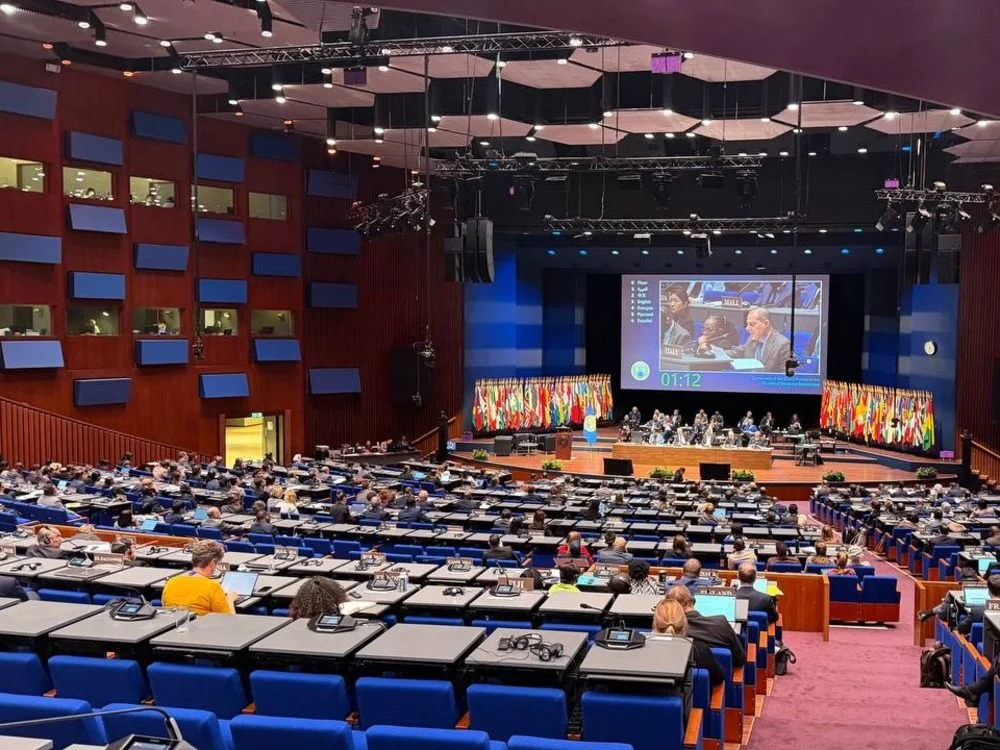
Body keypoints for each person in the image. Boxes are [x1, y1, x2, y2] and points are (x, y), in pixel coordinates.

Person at [666, 585, 745, 667]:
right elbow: (740, 659)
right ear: (692, 601)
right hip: (721, 673)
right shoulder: (721, 623)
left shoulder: (671, 632)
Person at [652, 599, 725, 686]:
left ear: (654, 624)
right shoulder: (700, 651)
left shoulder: (640, 652)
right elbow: (718, 678)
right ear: (685, 624)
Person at [161, 540, 236, 616]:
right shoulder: (213, 587)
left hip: (174, 623)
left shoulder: (171, 582)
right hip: (201, 623)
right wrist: (229, 600)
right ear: (213, 562)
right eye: (218, 563)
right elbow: (228, 620)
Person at [725, 307, 791, 373]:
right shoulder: (752, 338)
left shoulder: (783, 345)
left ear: (766, 324)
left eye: (752, 324)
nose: (747, 328)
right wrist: (719, 353)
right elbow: (738, 352)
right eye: (747, 324)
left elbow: (788, 376)